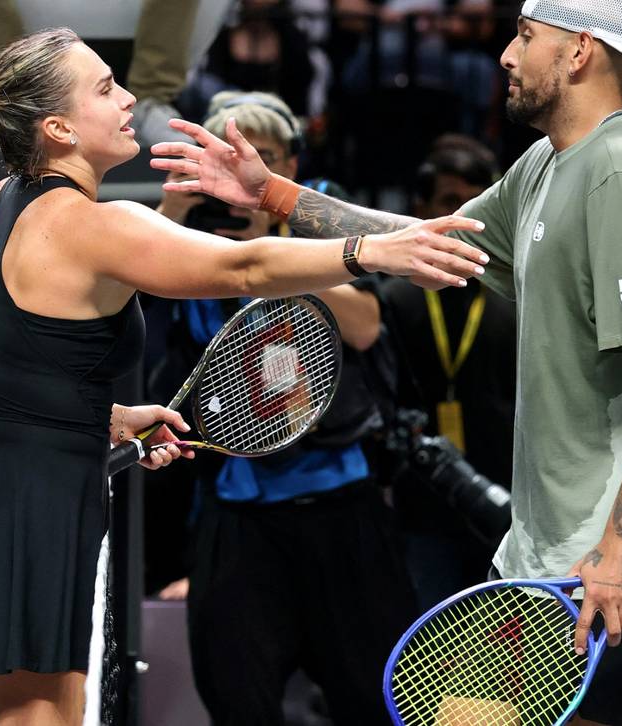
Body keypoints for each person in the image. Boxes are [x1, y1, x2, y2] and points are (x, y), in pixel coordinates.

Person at [0, 27, 488, 724]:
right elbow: (243, 267)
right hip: (26, 518)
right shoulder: (97, 225)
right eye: (106, 88)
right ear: (59, 128)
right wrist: (372, 250)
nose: (130, 98)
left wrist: (101, 418)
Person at [155, 1, 622, 721]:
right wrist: (272, 193)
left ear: (579, 52)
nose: (507, 55)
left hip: (601, 561)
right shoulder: (548, 163)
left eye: (526, 37)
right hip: (545, 554)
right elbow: (422, 241)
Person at [152, 91, 417, 725]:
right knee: (235, 697)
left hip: (339, 497)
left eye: (262, 157)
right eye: (220, 160)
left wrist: (273, 249)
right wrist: (174, 212)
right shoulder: (190, 235)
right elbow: (127, 304)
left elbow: (365, 326)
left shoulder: (318, 223)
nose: (239, 171)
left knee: (376, 696)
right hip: (236, 506)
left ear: (290, 165)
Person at [363, 135, 517, 610]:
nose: (463, 216)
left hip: (508, 498)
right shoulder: (393, 298)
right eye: (450, 202)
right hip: (420, 502)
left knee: (502, 637)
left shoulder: (514, 293)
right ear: (421, 209)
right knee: (431, 632)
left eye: (474, 202)